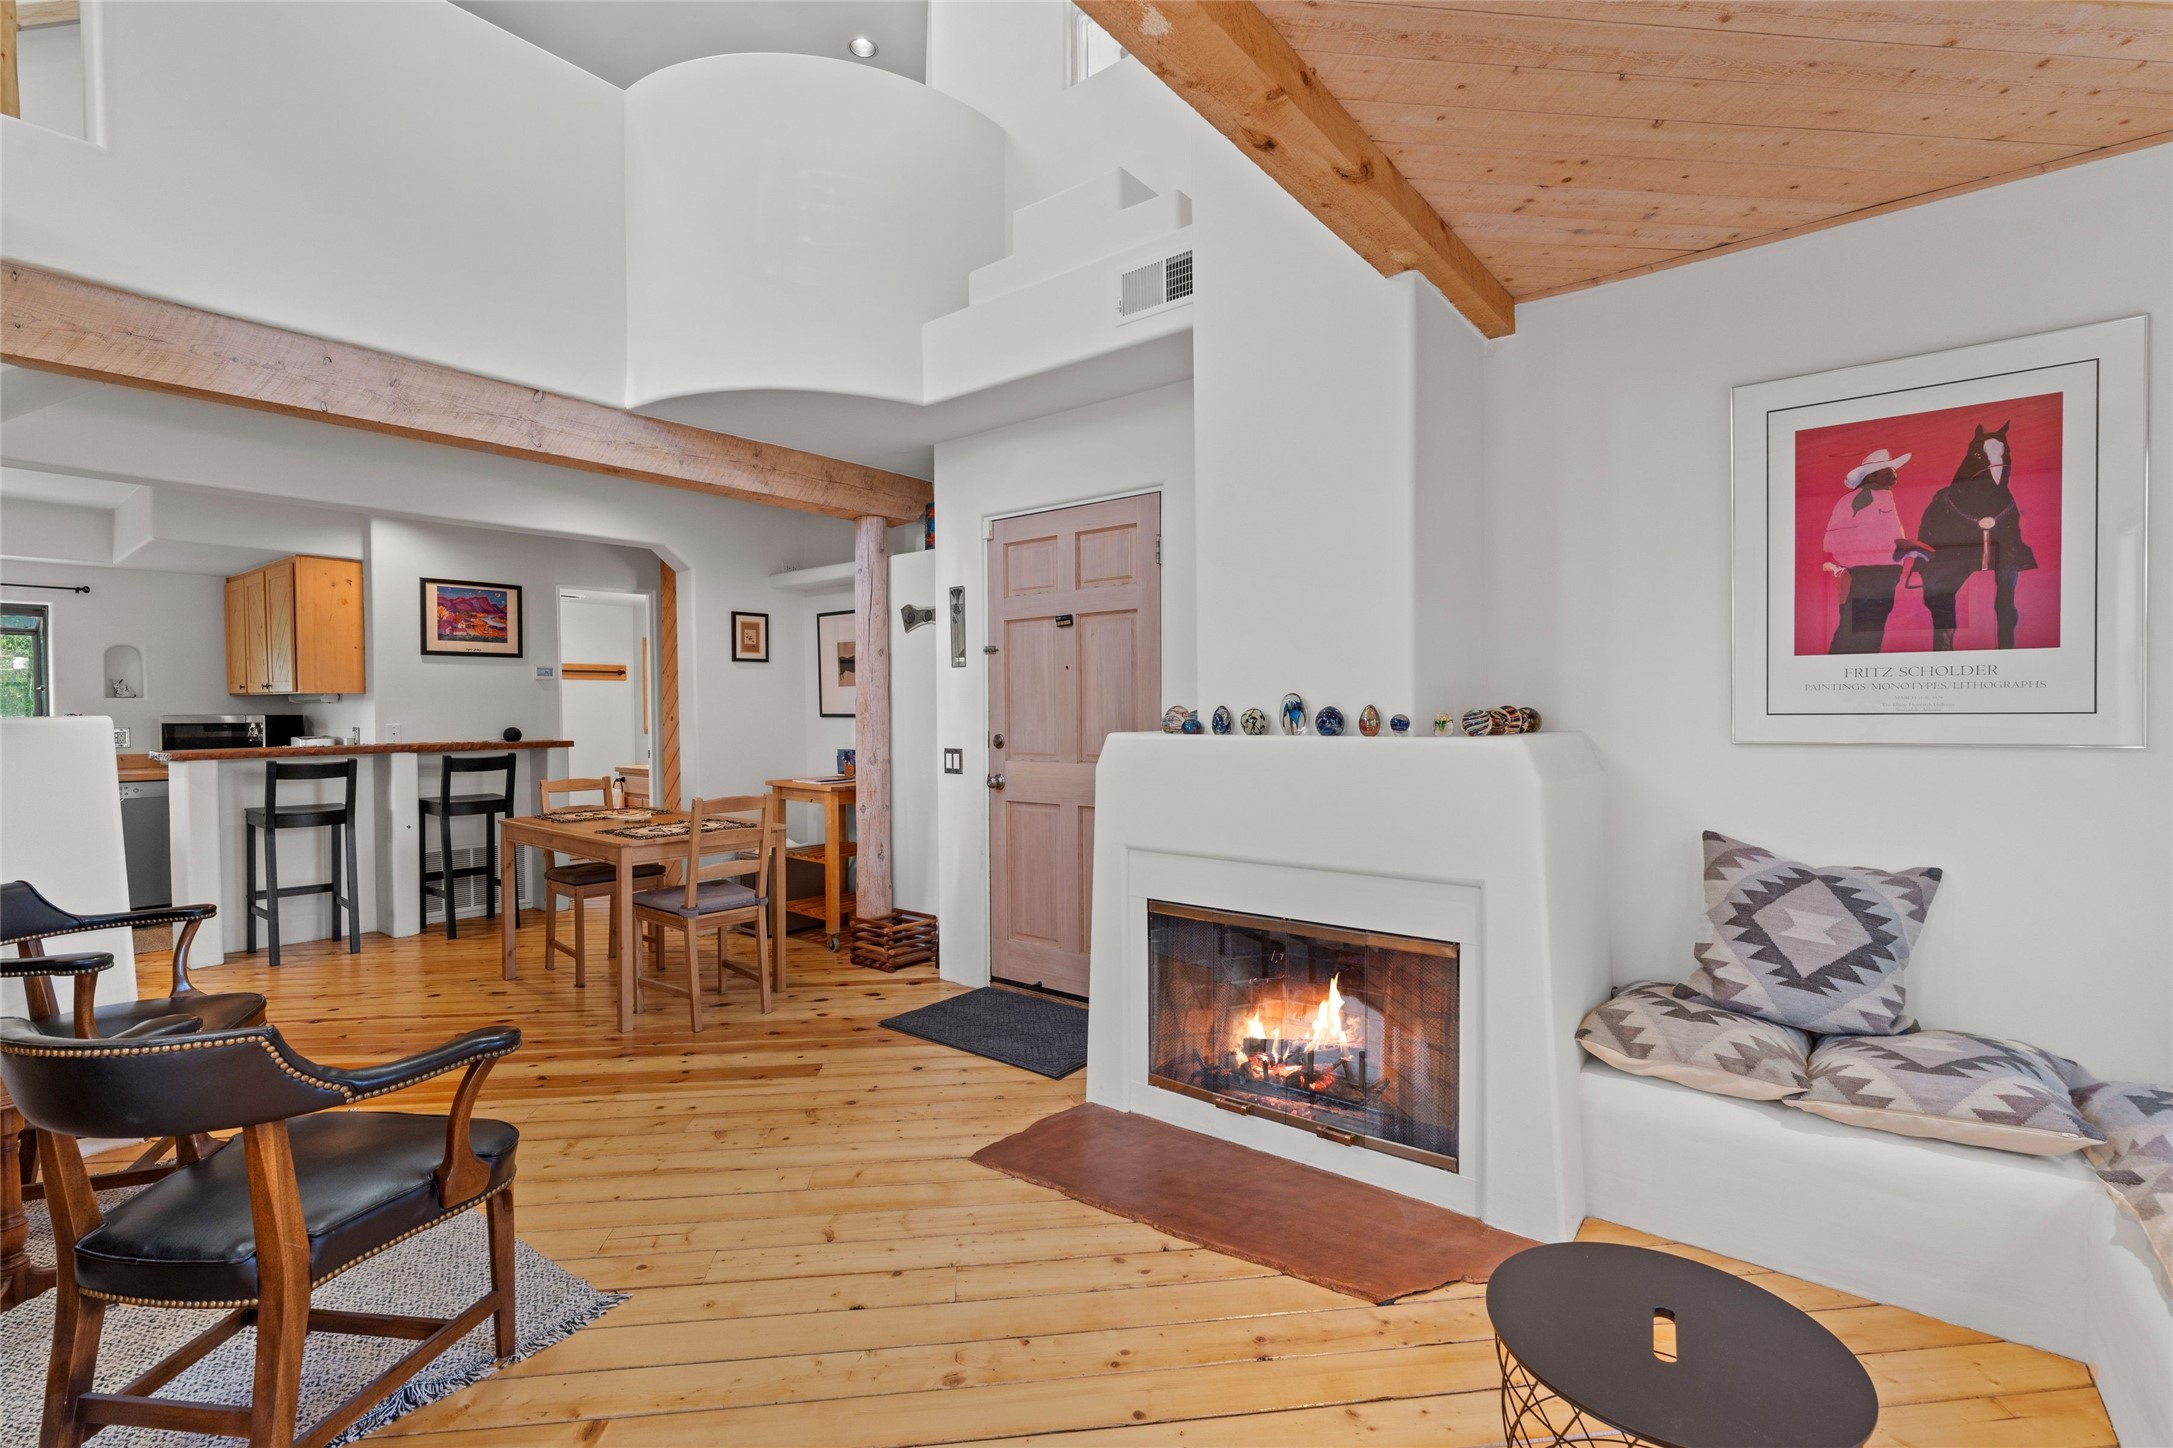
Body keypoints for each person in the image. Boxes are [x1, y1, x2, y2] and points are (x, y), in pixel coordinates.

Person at [1917, 422, 2035, 650]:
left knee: (2008, 576)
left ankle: (2007, 642)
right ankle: (1943, 646)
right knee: (1940, 588)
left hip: (2001, 541)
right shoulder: (1947, 501)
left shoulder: (2007, 503)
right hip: (1957, 548)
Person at [1820, 447, 1928, 654]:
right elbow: (1838, 539)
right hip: (1871, 574)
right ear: (1871, 476)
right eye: (1887, 471)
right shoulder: (1867, 496)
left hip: (1877, 573)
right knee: (1864, 629)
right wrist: (1898, 548)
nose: (1894, 474)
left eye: (1893, 470)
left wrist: (1901, 548)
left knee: (1862, 627)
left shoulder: (1877, 495)